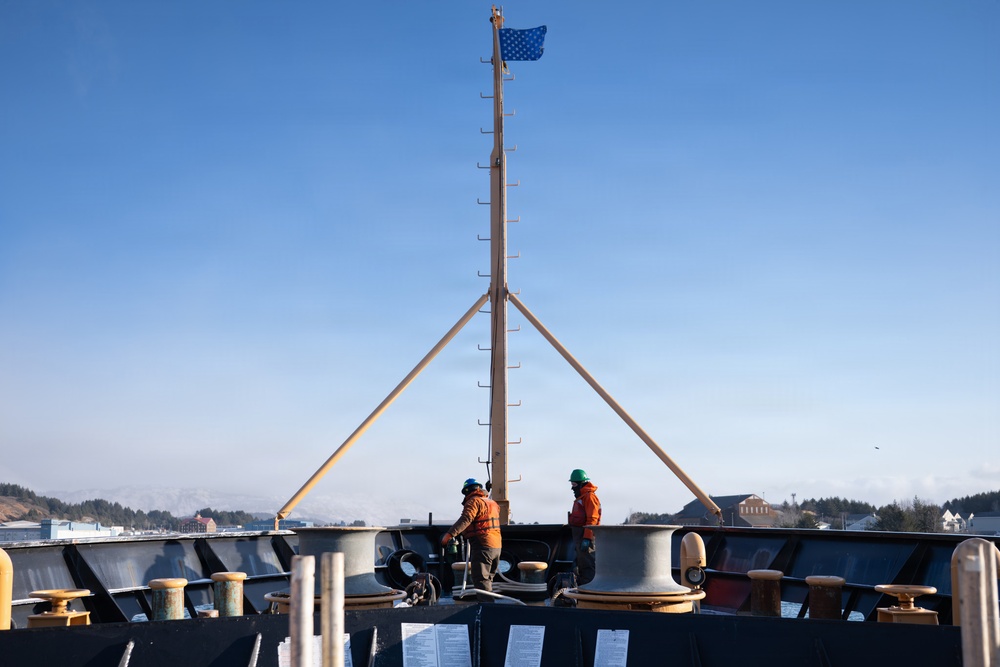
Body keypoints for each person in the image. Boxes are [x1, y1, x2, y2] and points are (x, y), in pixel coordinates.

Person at [440, 478, 502, 602]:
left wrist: (449, 535)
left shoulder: (473, 502)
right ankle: (491, 606)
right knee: (488, 578)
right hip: (496, 546)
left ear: (467, 492)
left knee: (480, 579)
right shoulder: (492, 503)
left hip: (483, 545)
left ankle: (487, 609)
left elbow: (466, 519)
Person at [567, 468, 601, 585]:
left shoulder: (589, 497)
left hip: (585, 537)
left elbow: (592, 519)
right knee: (581, 563)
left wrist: (587, 538)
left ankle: (589, 587)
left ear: (582, 484)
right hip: (579, 536)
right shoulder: (582, 497)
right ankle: (582, 587)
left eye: (574, 484)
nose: (572, 487)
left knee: (588, 563)